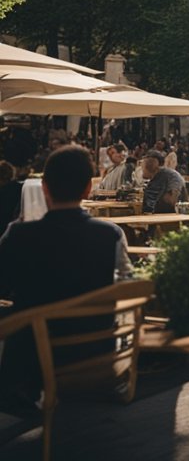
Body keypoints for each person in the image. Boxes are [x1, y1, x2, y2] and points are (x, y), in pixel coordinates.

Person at [0, 145, 132, 410]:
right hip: (98, 352)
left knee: (22, 311)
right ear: (87, 189)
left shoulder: (18, 235)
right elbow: (126, 288)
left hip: (36, 360)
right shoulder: (112, 235)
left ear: (44, 188)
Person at [141, 149, 185, 214]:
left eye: (143, 164)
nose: (142, 167)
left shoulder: (160, 177)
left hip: (165, 216)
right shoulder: (167, 174)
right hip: (177, 214)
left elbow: (149, 208)